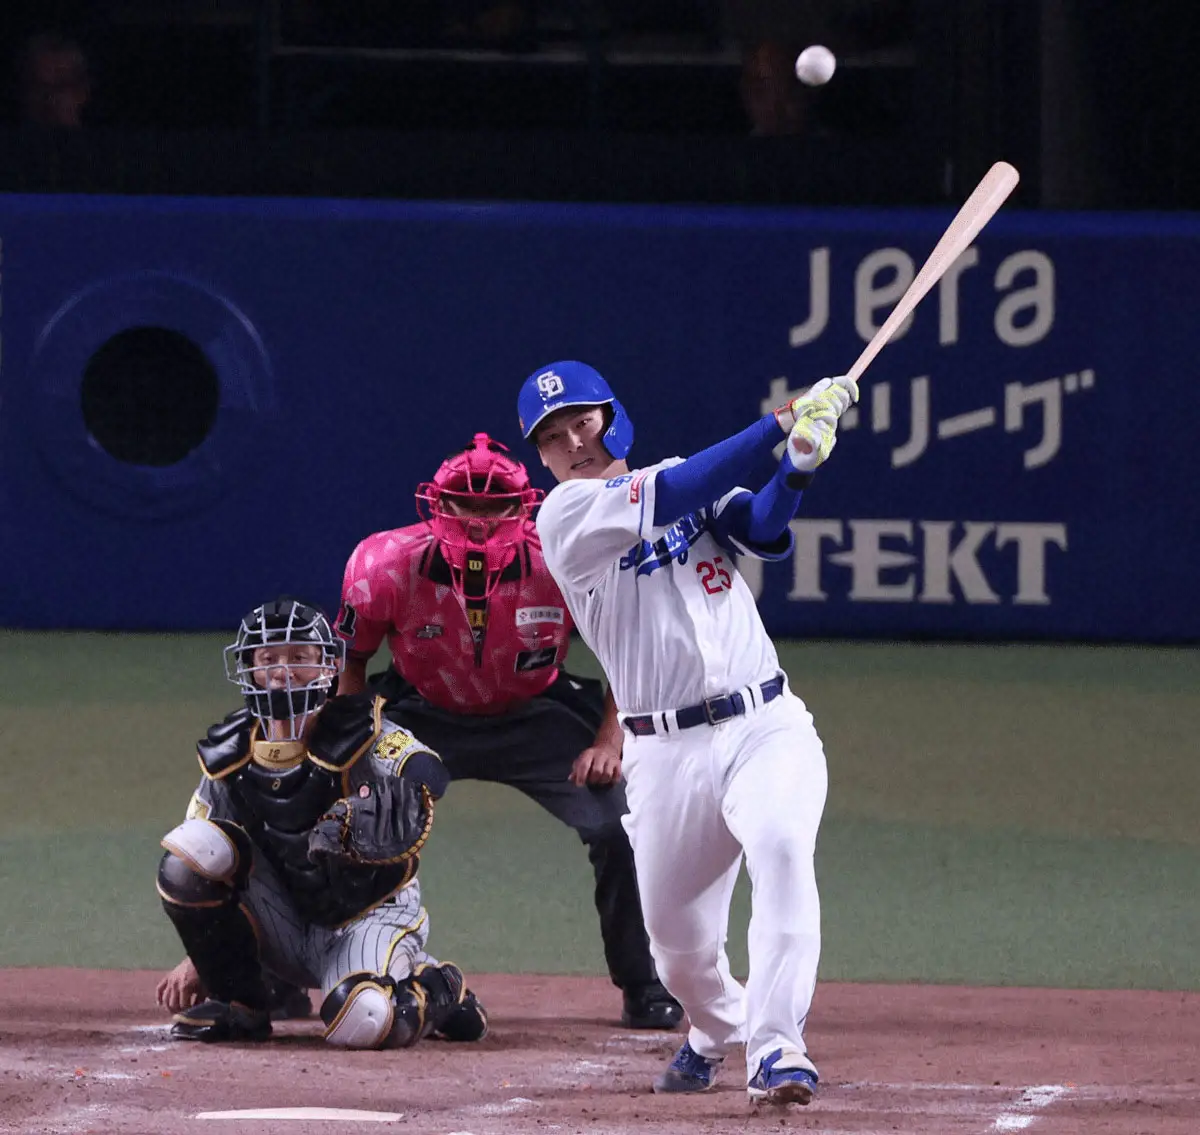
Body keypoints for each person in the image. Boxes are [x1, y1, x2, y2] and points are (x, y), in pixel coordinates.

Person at [515, 360, 857, 1105]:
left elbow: (759, 528)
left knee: (781, 846)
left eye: (582, 419)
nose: (573, 439)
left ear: (611, 417)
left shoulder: (684, 478)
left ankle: (777, 1048)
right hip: (662, 753)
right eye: (552, 435)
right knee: (679, 954)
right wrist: (781, 420)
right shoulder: (565, 517)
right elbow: (677, 491)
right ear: (540, 456)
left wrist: (795, 467)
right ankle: (714, 1026)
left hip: (765, 723)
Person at [335, 432, 683, 1031]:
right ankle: (303, 970)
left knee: (623, 820)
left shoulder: (565, 558)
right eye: (464, 505)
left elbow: (626, 656)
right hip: (421, 709)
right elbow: (351, 663)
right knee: (340, 816)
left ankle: (644, 983)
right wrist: (353, 753)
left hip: (535, 714)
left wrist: (609, 742)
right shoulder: (384, 564)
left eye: (494, 506)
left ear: (524, 506)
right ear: (435, 504)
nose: (477, 521)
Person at [155, 597, 488, 1048]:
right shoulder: (230, 754)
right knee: (192, 850)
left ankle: (435, 988)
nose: (282, 671)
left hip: (365, 915)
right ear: (249, 670)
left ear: (328, 668)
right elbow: (203, 861)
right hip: (286, 921)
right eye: (268, 659)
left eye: (299, 658)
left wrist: (401, 794)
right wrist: (201, 957)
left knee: (363, 1019)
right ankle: (240, 1004)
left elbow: (425, 769)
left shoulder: (360, 732)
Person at [15, 31, 91, 128]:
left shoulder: (104, 141)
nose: (49, 98)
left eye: (60, 87)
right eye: (40, 87)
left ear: (82, 90)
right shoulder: (8, 141)